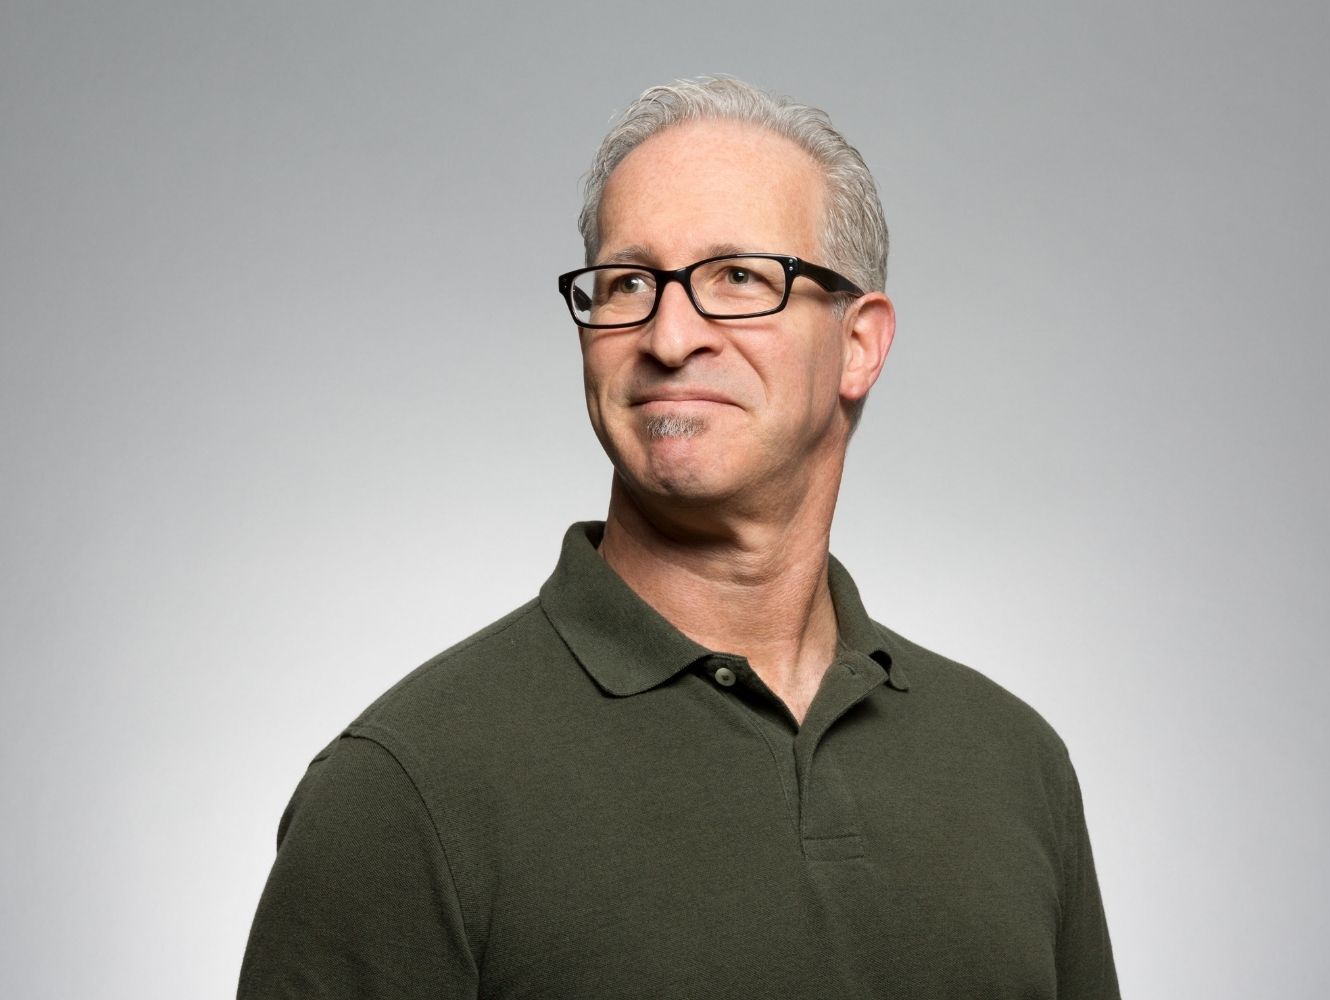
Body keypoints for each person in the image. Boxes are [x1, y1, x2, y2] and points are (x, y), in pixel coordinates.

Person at [238, 77, 1120, 999]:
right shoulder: (405, 791)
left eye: (738, 277)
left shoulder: (1014, 764)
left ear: (860, 343)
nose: (668, 335)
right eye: (627, 284)